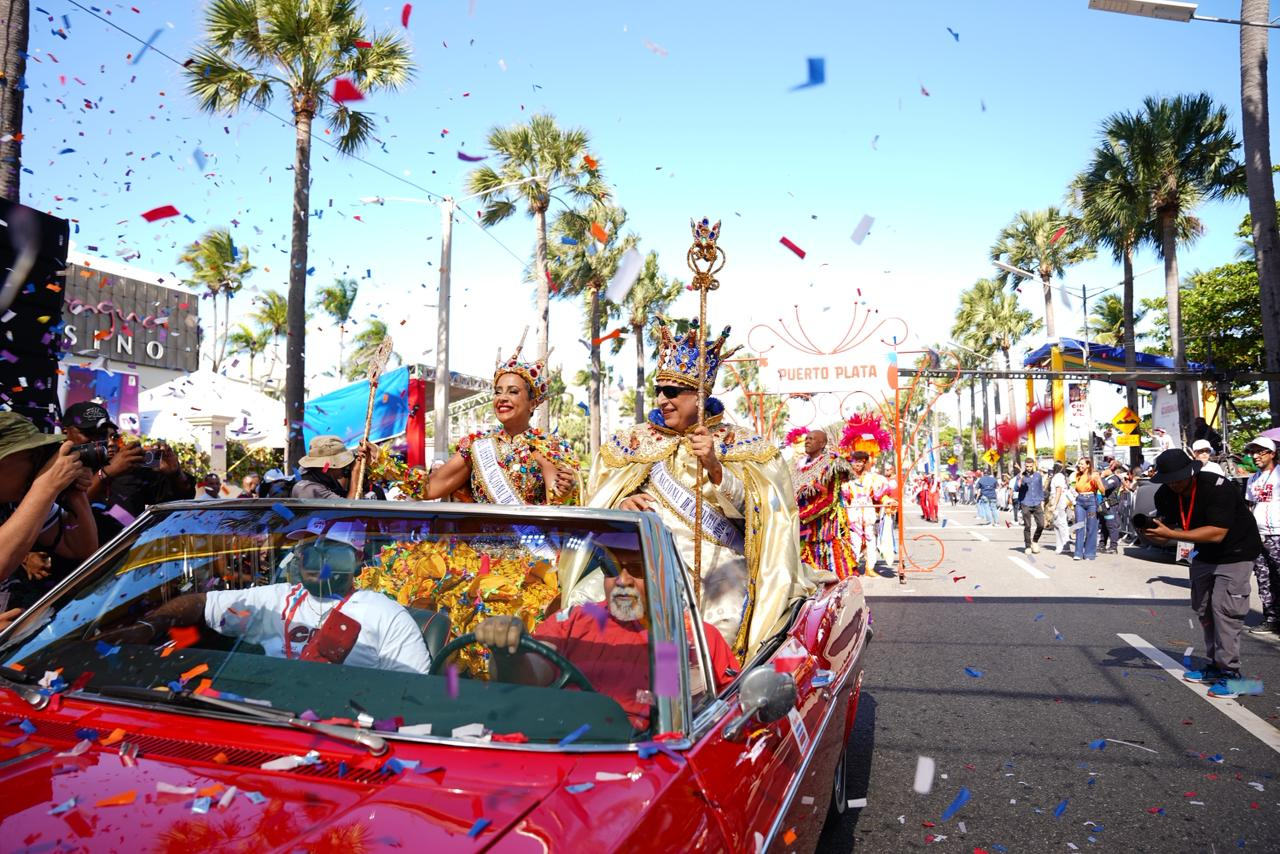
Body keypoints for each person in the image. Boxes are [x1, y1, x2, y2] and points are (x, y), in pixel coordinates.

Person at [581, 318, 824, 658]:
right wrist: (620, 504)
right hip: (640, 559)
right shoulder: (632, 442)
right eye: (659, 390)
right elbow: (597, 503)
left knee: (718, 625)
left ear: (700, 395)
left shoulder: (742, 444)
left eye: (672, 392)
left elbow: (768, 515)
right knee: (581, 603)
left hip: (716, 562)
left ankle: (711, 688)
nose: (662, 400)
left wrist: (715, 467)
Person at [94, 521, 432, 673]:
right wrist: (148, 626)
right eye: (307, 549)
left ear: (356, 560)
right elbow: (201, 603)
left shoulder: (386, 615)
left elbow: (412, 694)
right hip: (268, 722)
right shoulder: (276, 598)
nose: (312, 559)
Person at [474, 560, 738, 731]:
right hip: (555, 751)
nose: (622, 581)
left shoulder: (695, 637)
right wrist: (508, 651)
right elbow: (530, 678)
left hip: (645, 766)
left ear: (663, 575)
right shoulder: (574, 620)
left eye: (636, 569)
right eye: (611, 569)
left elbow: (725, 719)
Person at [373, 339, 580, 505]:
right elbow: (428, 488)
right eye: (498, 392)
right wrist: (383, 463)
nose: (502, 398)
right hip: (477, 544)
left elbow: (558, 507)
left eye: (513, 392)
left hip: (529, 545)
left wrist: (564, 492)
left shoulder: (548, 448)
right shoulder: (477, 445)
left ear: (532, 403)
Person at [1143, 449, 1262, 699]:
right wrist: (1152, 532)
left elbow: (1217, 533)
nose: (1174, 484)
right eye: (1169, 479)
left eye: (1178, 478)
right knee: (1204, 609)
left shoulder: (1217, 487)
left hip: (1236, 552)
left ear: (1191, 472)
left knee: (1225, 610)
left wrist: (1171, 535)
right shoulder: (1165, 494)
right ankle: (1215, 665)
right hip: (1203, 554)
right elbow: (1170, 529)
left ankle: (1232, 675)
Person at [0, 412, 99, 584]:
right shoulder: (38, 492)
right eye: (32, 456)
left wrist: (74, 489)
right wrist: (46, 486)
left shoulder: (18, 500)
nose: (38, 464)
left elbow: (80, 548)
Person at [61, 401, 194, 519]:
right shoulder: (55, 466)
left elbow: (181, 499)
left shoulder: (130, 469)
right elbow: (66, 512)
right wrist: (106, 473)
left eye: (103, 434)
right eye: (88, 433)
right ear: (65, 432)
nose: (106, 442)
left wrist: (175, 473)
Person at [792, 429, 857, 578]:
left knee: (832, 568)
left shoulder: (832, 463)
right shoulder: (798, 466)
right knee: (806, 571)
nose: (807, 441)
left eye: (812, 439)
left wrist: (800, 515)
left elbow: (829, 499)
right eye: (806, 438)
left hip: (826, 528)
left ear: (822, 444)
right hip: (803, 530)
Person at [1244, 436, 1280, 636]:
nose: (1255, 456)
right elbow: (1250, 505)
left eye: (1260, 451)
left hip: (1278, 534)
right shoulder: (1253, 479)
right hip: (1259, 536)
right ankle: (1271, 619)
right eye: (1253, 452)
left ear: (1272, 454)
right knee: (1264, 578)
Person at [842, 450, 893, 571]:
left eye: (861, 461)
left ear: (865, 463)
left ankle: (870, 568)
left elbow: (880, 495)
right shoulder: (847, 479)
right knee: (855, 540)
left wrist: (887, 501)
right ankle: (853, 566)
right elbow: (844, 497)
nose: (858, 464)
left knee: (871, 539)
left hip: (868, 513)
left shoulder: (873, 478)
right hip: (854, 514)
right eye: (856, 461)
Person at [291, 435, 383, 500]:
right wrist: (355, 473)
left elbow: (379, 469)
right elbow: (348, 511)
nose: (345, 467)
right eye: (342, 465)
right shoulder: (309, 489)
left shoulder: (323, 474)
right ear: (328, 468)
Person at [1071, 457, 1104, 561]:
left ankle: (1089, 553)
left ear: (1088, 465)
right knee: (1079, 525)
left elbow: (1103, 491)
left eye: (1082, 464)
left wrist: (1097, 480)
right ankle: (1078, 553)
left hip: (1091, 503)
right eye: (1079, 464)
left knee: (1091, 526)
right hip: (1080, 502)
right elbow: (1076, 489)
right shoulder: (1078, 475)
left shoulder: (1094, 475)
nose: (1080, 466)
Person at [1013, 458, 1046, 554]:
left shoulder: (1038, 476)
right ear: (1025, 466)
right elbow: (1016, 488)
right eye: (1027, 466)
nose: (1029, 468)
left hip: (1037, 502)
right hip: (1025, 502)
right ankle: (1027, 546)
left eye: (1030, 466)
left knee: (1041, 524)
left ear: (1033, 465)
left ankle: (1035, 541)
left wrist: (1042, 501)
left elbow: (1040, 489)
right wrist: (1020, 479)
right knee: (1027, 526)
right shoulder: (1020, 476)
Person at [1097, 460, 1126, 554]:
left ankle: (1113, 547)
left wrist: (1101, 477)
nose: (1100, 472)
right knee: (1103, 526)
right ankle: (1102, 545)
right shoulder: (1106, 478)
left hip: (1111, 506)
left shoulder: (1113, 479)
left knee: (1112, 526)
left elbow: (1104, 488)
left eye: (1101, 470)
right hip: (1103, 506)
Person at [1046, 461, 1073, 555]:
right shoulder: (1060, 476)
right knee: (1057, 524)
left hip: (1058, 501)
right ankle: (1061, 545)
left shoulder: (1058, 476)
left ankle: (1065, 545)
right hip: (1058, 500)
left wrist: (1054, 504)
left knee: (1061, 524)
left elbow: (1058, 490)